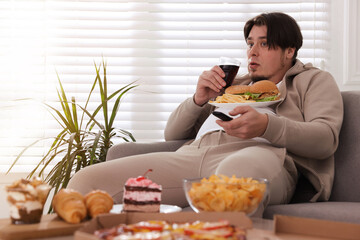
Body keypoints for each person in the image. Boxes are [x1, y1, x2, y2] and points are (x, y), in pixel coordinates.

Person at [67, 12, 343, 216]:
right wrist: (198, 99)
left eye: (265, 44)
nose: (252, 52)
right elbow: (172, 134)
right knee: (85, 182)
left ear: (289, 51)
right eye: (249, 43)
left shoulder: (313, 80)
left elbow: (326, 139)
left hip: (263, 155)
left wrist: (267, 126)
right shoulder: (234, 85)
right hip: (193, 155)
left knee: (231, 187)